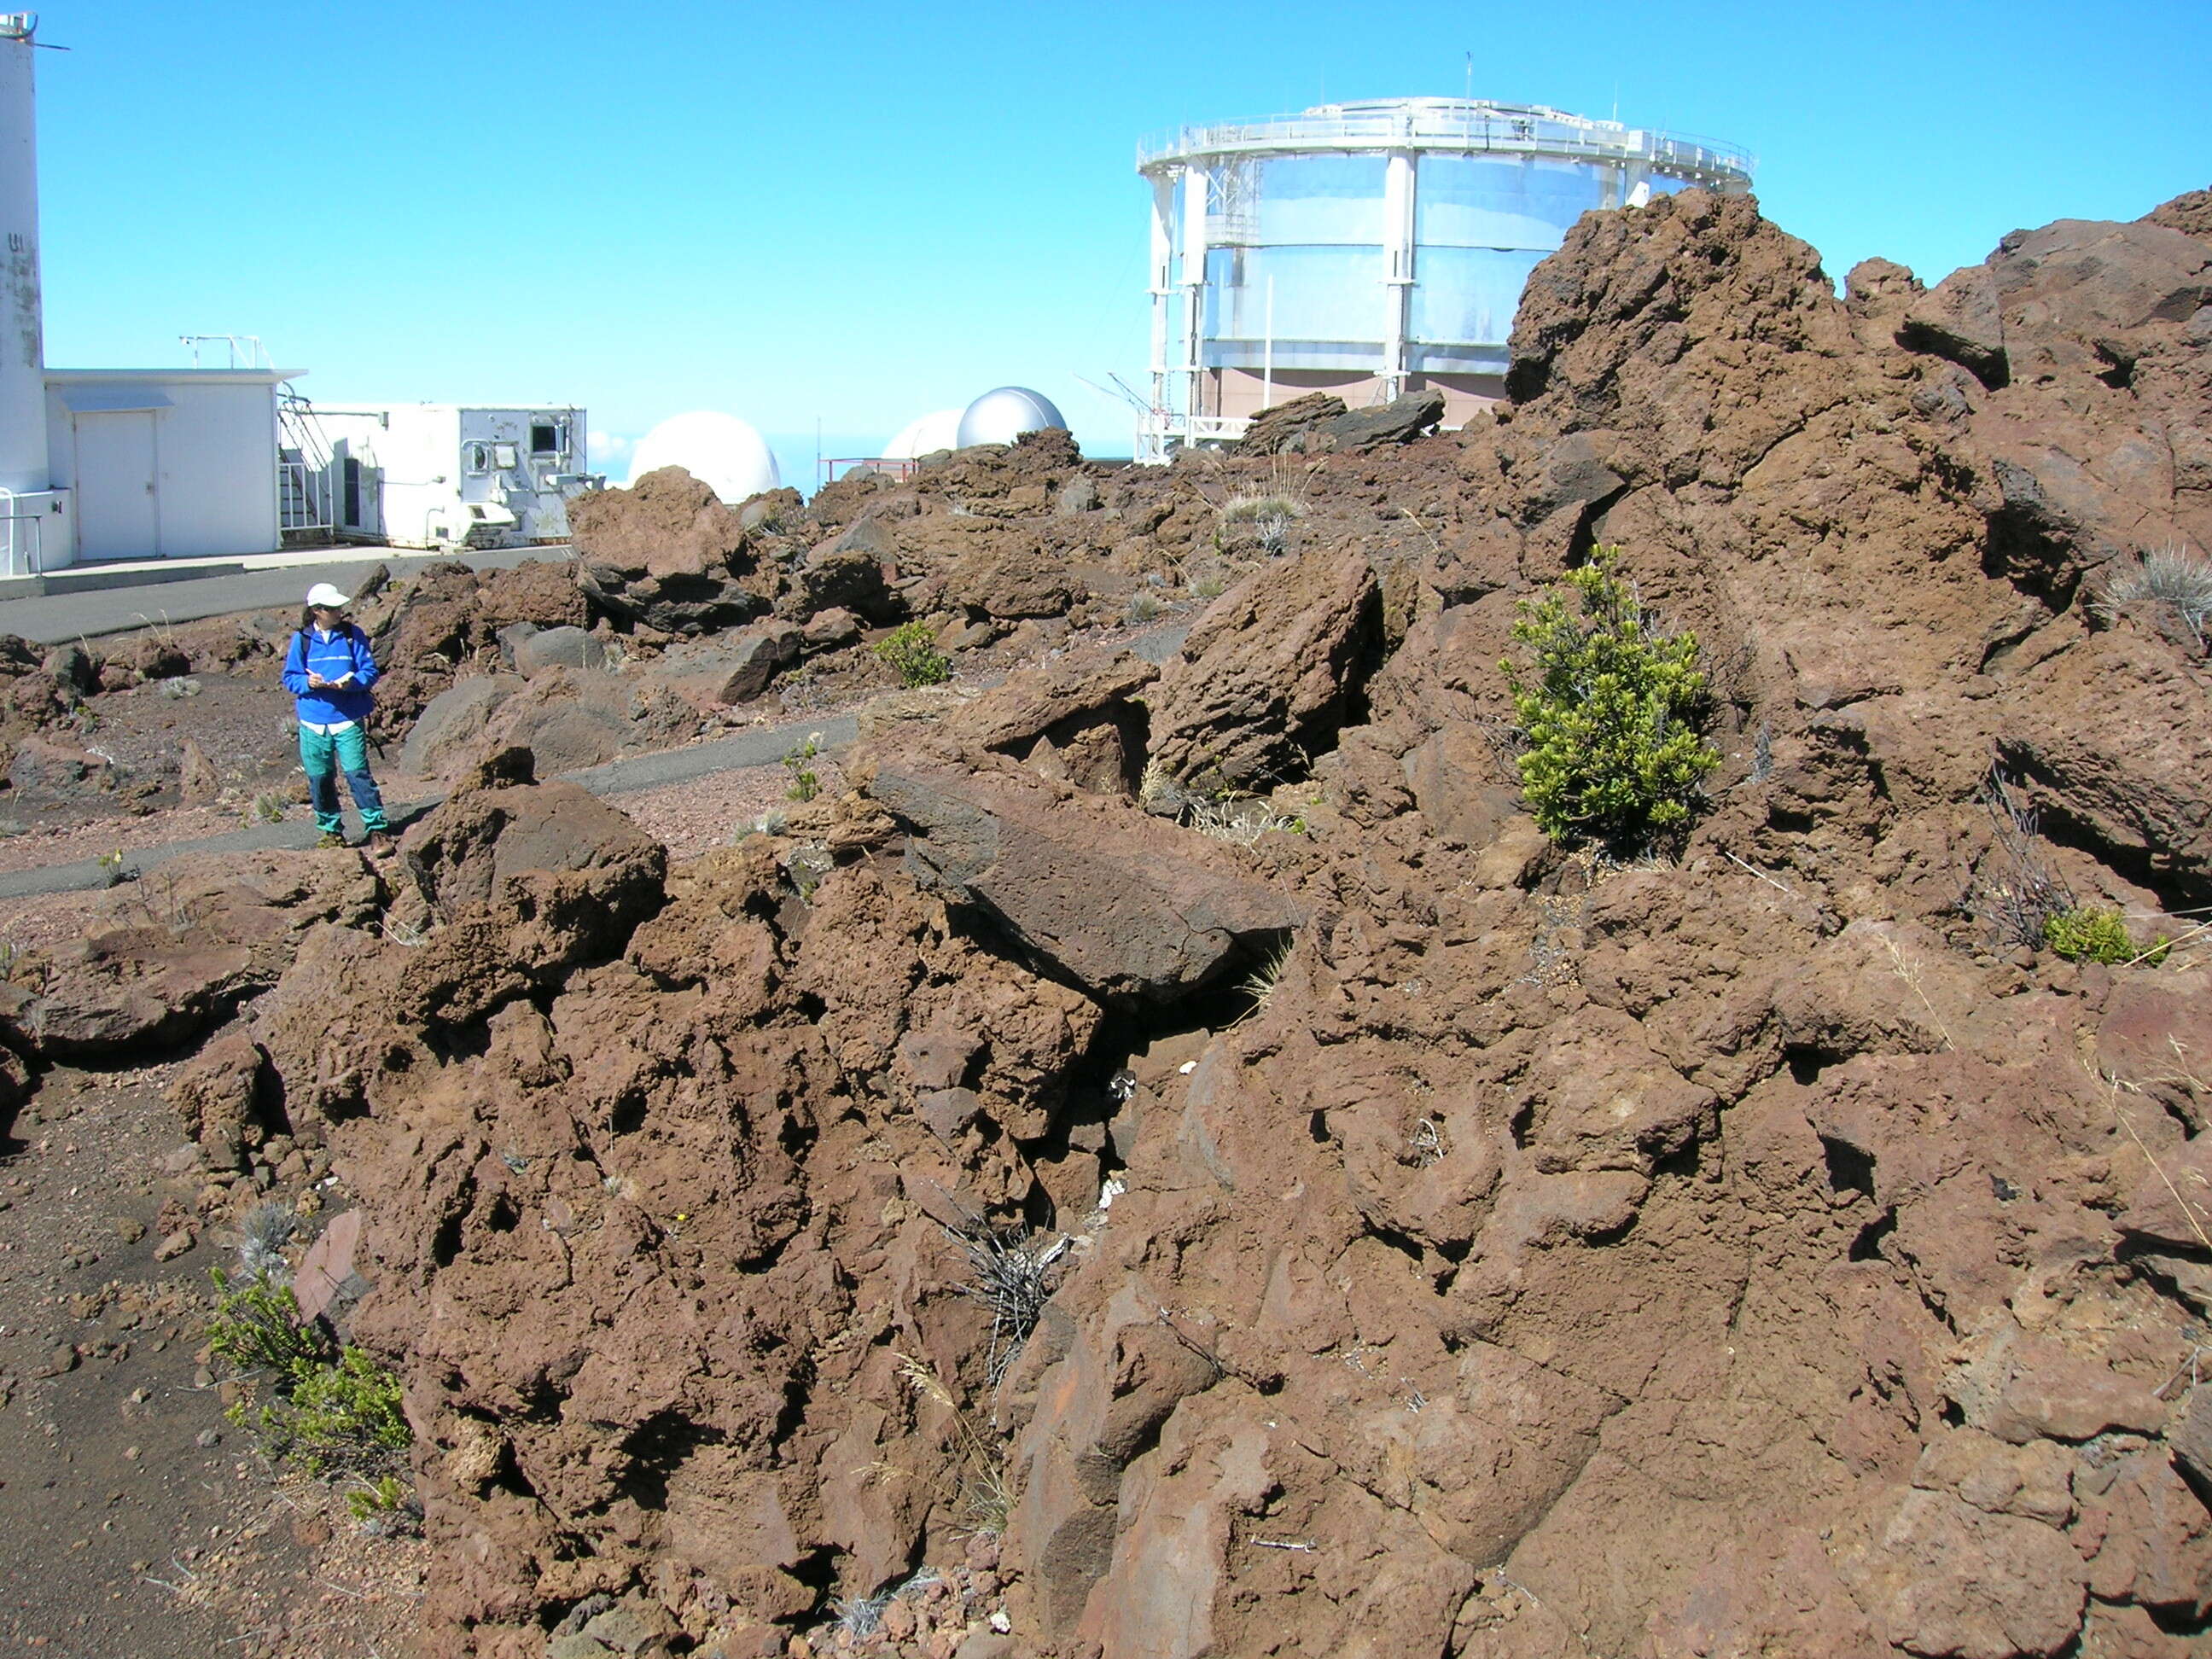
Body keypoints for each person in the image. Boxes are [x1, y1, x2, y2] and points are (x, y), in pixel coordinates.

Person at [281, 582, 394, 853]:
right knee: (320, 778)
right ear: (317, 611)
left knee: (357, 774)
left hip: (347, 718)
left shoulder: (353, 635)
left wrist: (351, 682)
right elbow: (290, 678)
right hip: (313, 721)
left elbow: (369, 672)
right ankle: (331, 832)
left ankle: (376, 829)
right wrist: (310, 682)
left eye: (339, 607)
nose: (339, 612)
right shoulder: (303, 640)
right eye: (333, 608)